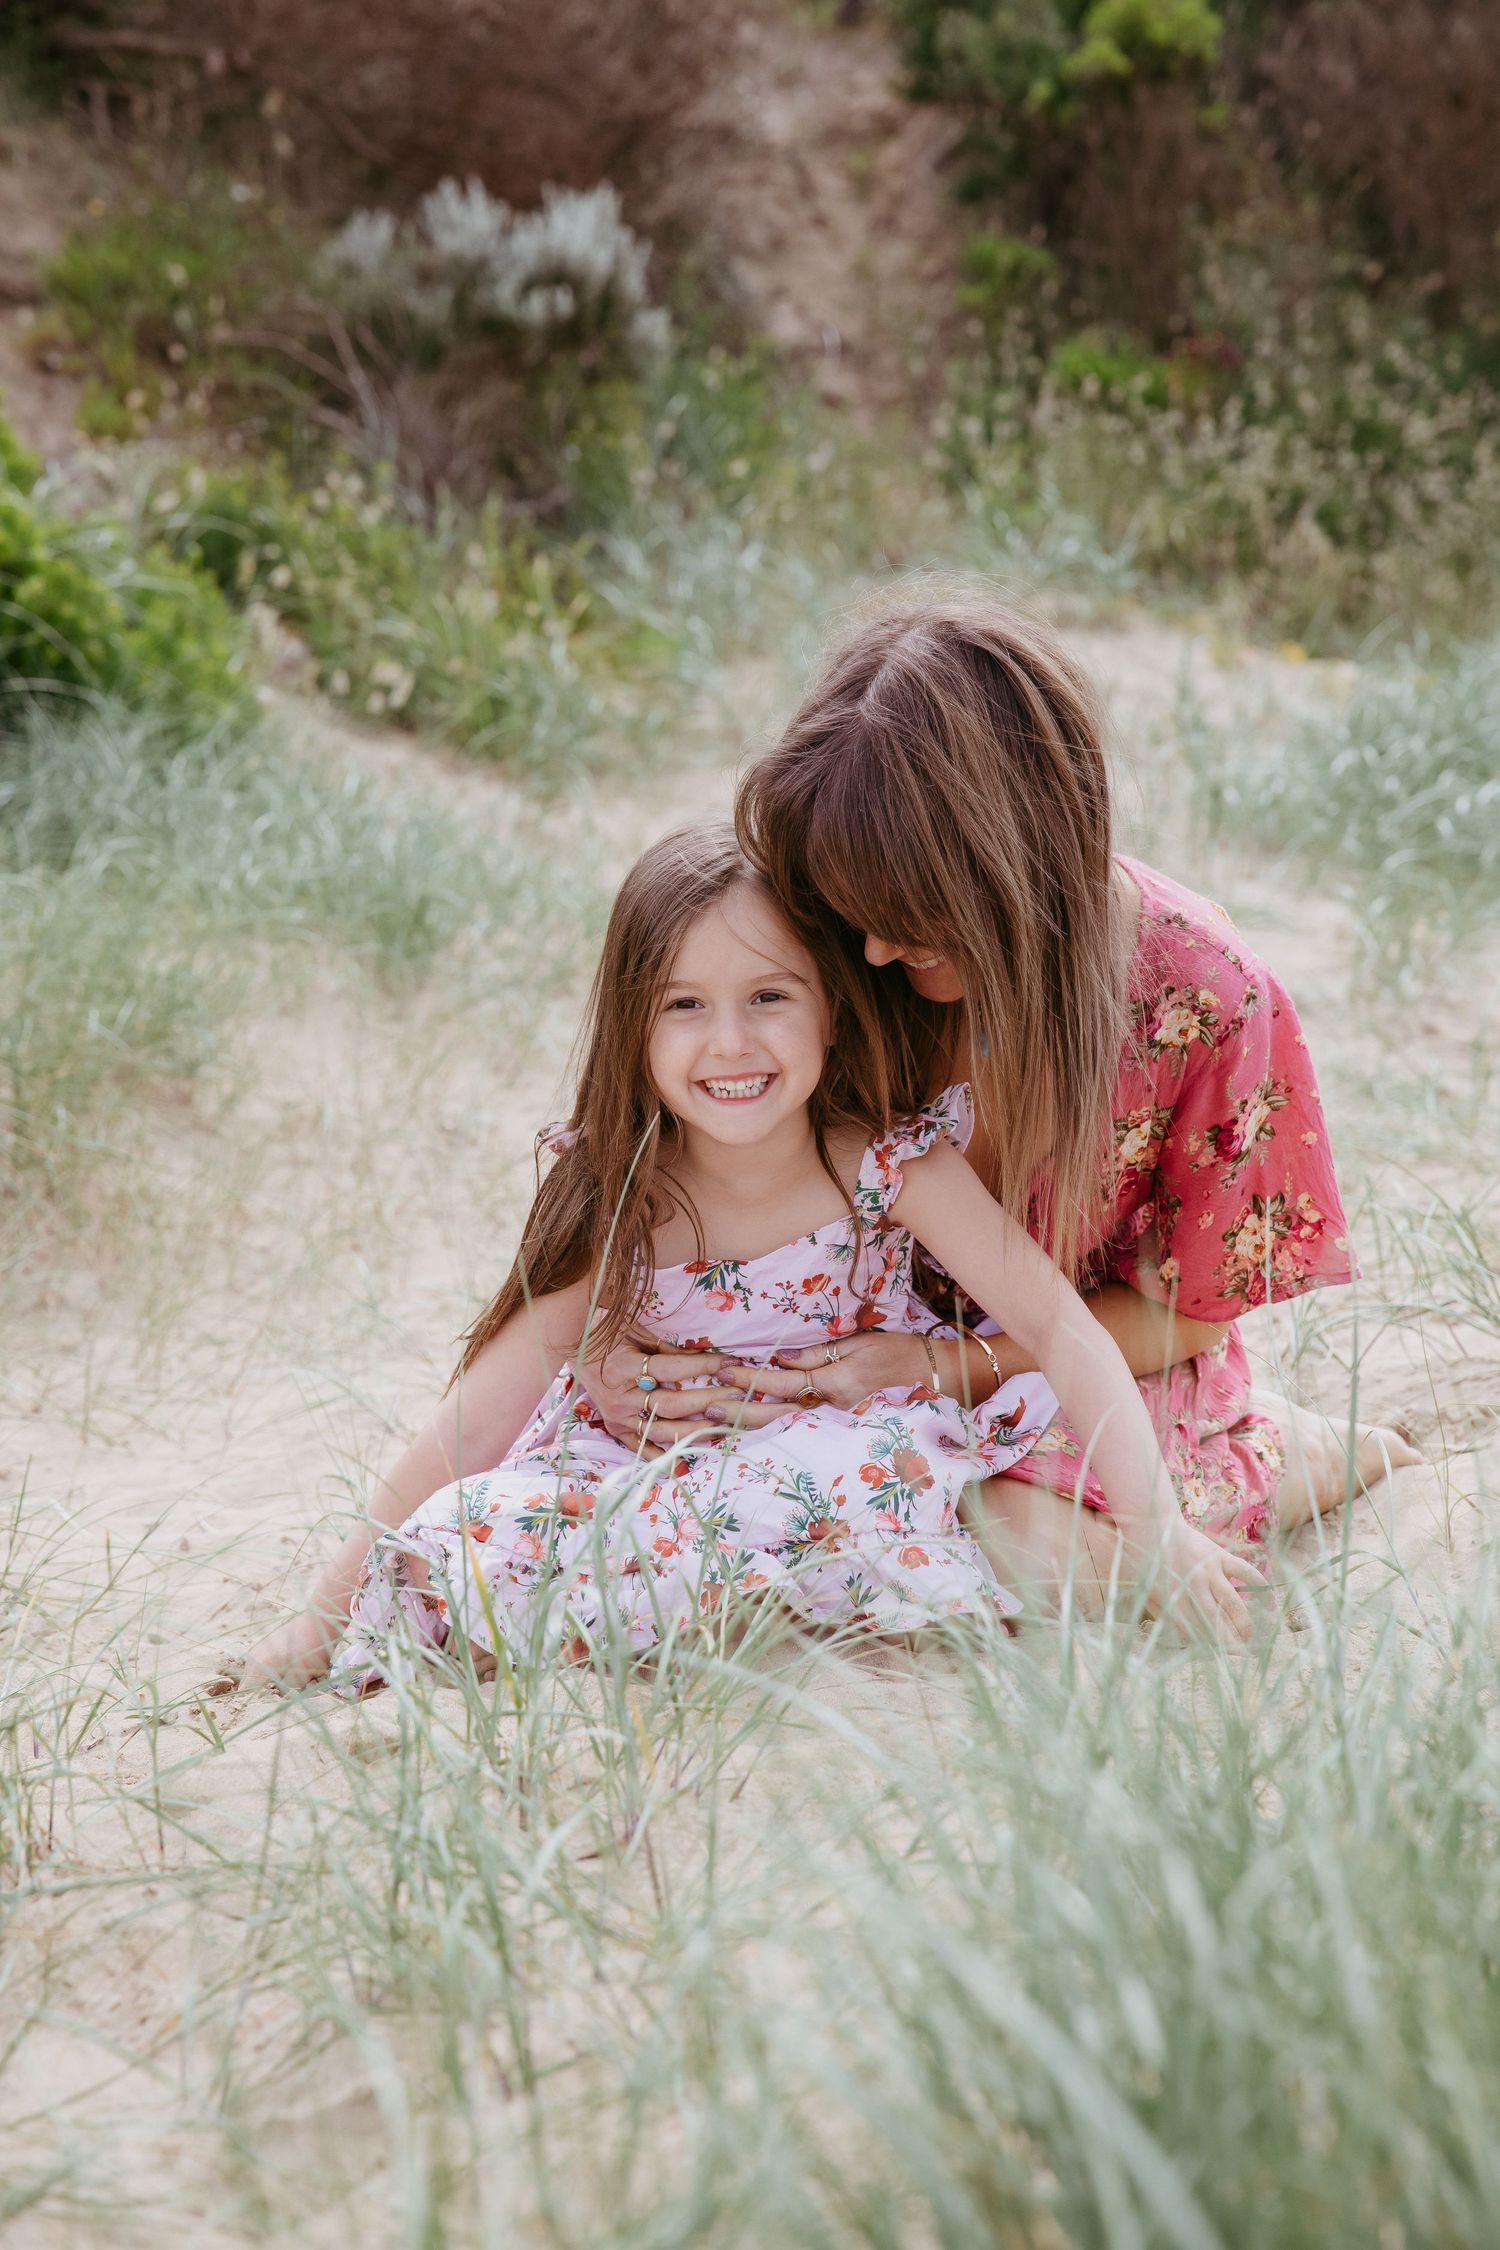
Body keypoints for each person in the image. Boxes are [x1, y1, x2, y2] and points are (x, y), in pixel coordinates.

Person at [247, 820, 1261, 1693]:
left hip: (841, 1455)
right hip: (647, 1468)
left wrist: (1154, 1523)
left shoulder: (886, 1162)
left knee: (875, 1497)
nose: (729, 1043)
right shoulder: (623, 1190)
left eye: (768, 997)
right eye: (683, 1006)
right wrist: (317, 1620)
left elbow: (1053, 1322)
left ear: (832, 1005)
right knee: (462, 1537)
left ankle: (1244, 1497)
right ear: (632, 1027)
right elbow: (478, 1416)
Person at [580, 594, 1418, 1612]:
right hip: (840, 1352)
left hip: (1090, 1357)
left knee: (1005, 1532)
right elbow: (677, 1134)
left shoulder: (1206, 996)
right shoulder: (845, 928)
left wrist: (943, 1364)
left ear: (1015, 863)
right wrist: (609, 1341)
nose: (877, 953)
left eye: (913, 922)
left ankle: (1280, 1455)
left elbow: (1190, 1319)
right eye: (861, 921)